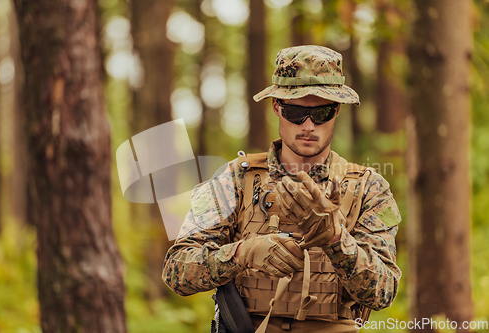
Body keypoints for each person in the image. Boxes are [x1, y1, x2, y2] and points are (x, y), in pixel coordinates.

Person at [162, 45, 401, 333]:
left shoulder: (368, 188)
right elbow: (176, 270)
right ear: (276, 106)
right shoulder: (235, 179)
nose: (309, 125)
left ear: (336, 111)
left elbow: (383, 291)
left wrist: (337, 240)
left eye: (321, 112)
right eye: (296, 111)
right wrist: (243, 254)